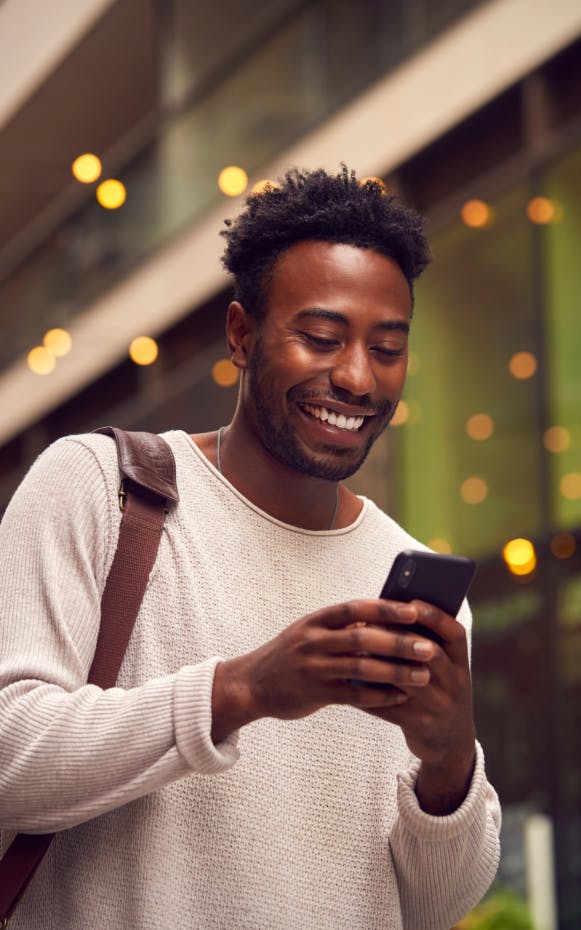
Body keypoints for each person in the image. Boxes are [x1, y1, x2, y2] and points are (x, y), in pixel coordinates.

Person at [0, 166, 500, 929]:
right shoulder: (101, 487)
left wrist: (448, 767)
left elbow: (432, 907)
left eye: (387, 348)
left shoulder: (418, 587)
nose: (358, 377)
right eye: (322, 337)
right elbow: (9, 758)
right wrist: (240, 691)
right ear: (241, 334)